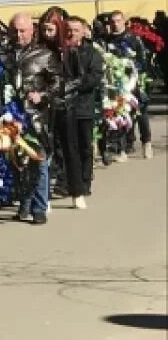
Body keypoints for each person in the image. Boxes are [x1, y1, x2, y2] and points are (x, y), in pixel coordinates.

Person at [9, 12, 57, 224]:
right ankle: (24, 204)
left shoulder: (44, 55)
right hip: (11, 116)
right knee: (17, 162)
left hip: (35, 116)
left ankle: (39, 207)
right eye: (15, 31)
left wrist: (43, 95)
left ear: (32, 31)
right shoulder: (4, 54)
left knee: (38, 160)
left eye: (22, 30)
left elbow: (59, 83)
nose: (18, 35)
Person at [53, 14, 105, 208]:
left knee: (84, 145)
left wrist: (72, 86)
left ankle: (84, 181)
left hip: (83, 106)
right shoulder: (59, 52)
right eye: (68, 30)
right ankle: (67, 181)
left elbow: (94, 77)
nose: (72, 33)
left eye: (76, 30)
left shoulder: (92, 53)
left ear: (84, 31)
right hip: (65, 107)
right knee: (66, 146)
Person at [106, 10, 153, 159]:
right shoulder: (107, 40)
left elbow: (142, 60)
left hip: (134, 82)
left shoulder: (134, 38)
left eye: (118, 20)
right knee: (119, 114)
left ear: (124, 21)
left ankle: (147, 143)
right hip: (116, 83)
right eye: (112, 21)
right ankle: (122, 149)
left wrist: (133, 71)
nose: (115, 24)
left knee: (140, 113)